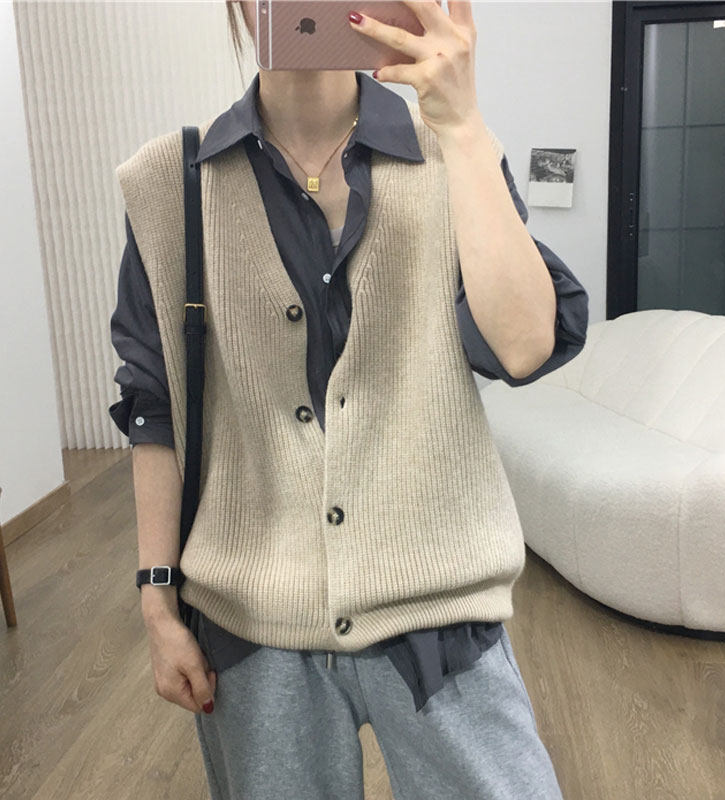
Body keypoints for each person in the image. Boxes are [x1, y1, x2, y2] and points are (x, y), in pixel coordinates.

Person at [109, 1, 588, 797]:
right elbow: (151, 405)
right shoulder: (171, 184)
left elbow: (524, 344)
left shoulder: (451, 151)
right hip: (252, 622)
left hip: (439, 609)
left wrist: (464, 127)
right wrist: (158, 605)